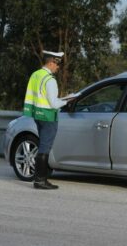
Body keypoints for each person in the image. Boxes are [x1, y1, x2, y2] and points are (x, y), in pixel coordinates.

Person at [23, 50, 73, 190]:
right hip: (48, 116)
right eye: (57, 64)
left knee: (42, 146)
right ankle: (40, 180)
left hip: (37, 115)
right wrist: (67, 100)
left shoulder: (36, 74)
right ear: (51, 62)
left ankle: (40, 179)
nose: (58, 67)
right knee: (45, 148)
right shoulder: (50, 80)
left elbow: (40, 97)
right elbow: (54, 104)